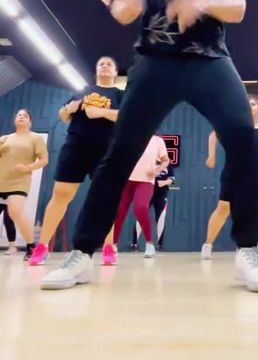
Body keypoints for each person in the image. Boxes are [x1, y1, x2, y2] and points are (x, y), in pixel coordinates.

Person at [41, 0, 258, 292]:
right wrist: (115, 0)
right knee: (120, 153)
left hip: (211, 60)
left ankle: (248, 251)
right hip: (155, 59)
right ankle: (82, 253)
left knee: (244, 138)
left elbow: (237, 9)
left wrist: (202, 1)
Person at [29, 57, 123, 267]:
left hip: (106, 150)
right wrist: (68, 110)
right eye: (101, 64)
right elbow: (63, 115)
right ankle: (42, 247)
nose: (105, 66)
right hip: (75, 146)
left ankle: (108, 248)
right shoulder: (83, 91)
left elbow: (125, 116)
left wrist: (101, 112)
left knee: (104, 198)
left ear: (115, 72)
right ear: (96, 70)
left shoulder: (120, 94)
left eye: (109, 64)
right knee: (61, 194)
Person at [201, 96, 258, 260]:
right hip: (232, 174)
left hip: (254, 176)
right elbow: (214, 134)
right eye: (247, 104)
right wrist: (211, 156)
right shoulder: (235, 127)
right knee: (223, 208)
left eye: (253, 104)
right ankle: (207, 245)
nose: (250, 106)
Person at [0, 109, 48, 260]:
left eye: (25, 116)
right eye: (19, 115)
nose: (21, 117)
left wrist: (29, 167)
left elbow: (44, 160)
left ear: (30, 122)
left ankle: (31, 246)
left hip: (19, 181)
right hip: (1, 179)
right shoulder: (5, 138)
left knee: (14, 211)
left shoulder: (35, 138)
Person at [113, 135, 169, 258]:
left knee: (141, 209)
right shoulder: (128, 135)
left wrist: (157, 171)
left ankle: (149, 244)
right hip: (126, 180)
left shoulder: (157, 140)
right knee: (119, 211)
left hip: (145, 181)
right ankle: (113, 245)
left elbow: (166, 160)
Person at [132, 162, 176, 251]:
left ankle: (160, 245)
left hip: (161, 194)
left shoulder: (168, 164)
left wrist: (164, 182)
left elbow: (172, 179)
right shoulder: (148, 161)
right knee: (141, 216)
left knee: (161, 218)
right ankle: (134, 244)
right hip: (147, 192)